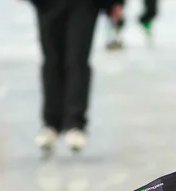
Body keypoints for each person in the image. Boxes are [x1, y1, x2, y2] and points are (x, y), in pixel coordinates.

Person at [27, 0, 124, 153]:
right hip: (48, 4)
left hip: (85, 5)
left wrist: (116, 2)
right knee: (52, 61)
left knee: (77, 60)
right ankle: (51, 124)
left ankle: (75, 123)